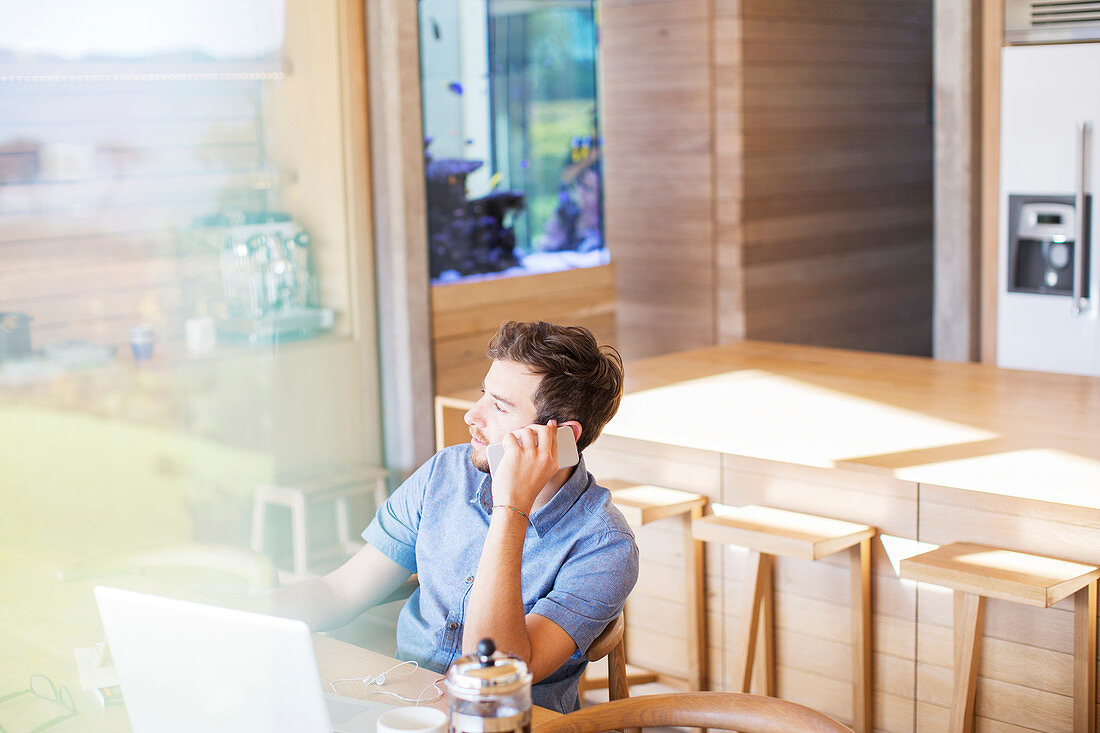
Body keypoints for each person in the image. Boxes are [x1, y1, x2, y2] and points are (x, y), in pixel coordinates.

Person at [264, 321, 639, 713]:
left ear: (559, 436)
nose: (472, 416)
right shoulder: (444, 474)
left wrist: (510, 508)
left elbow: (491, 672)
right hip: (403, 709)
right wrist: (232, 615)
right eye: (483, 394)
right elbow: (338, 591)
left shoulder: (605, 545)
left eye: (499, 405)